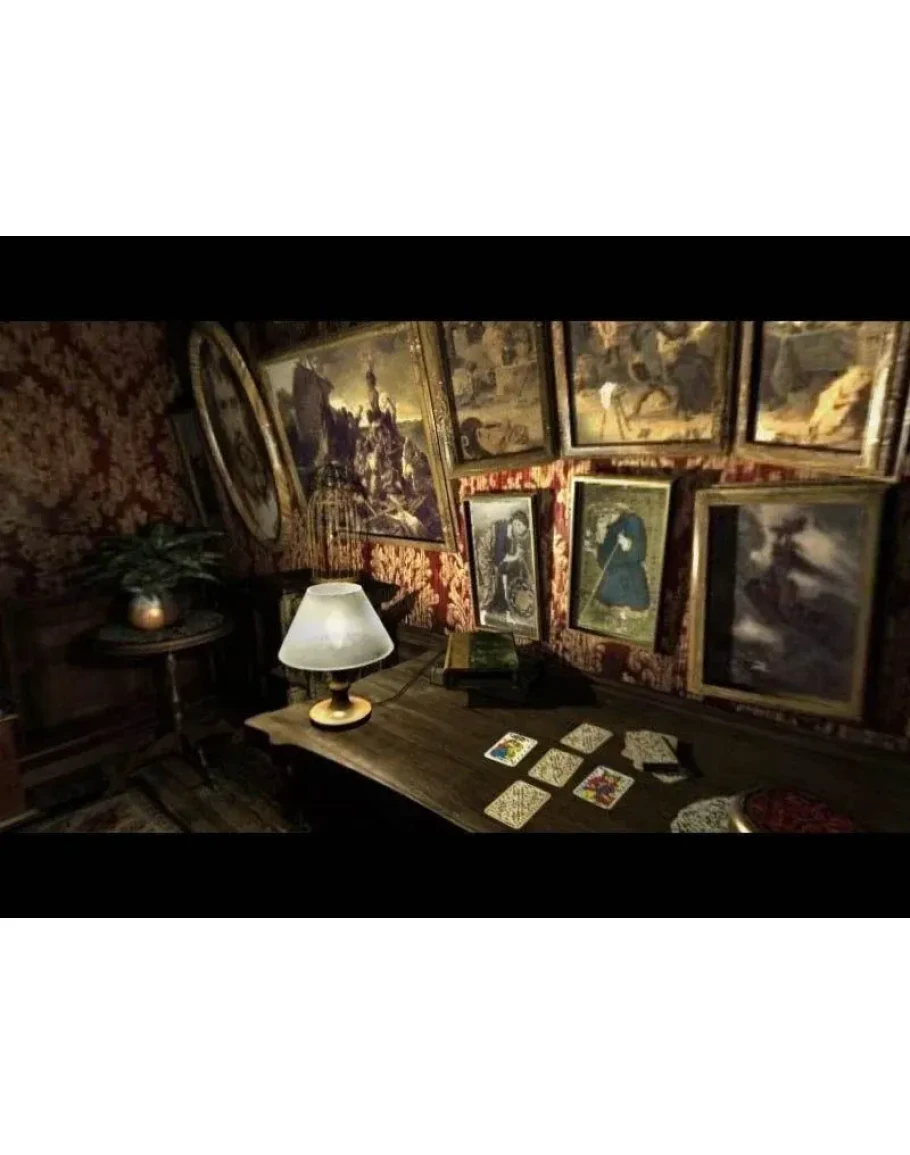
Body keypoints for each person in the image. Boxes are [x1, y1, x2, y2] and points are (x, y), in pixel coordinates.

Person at [585, 504, 649, 619]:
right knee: (603, 605)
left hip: (631, 578)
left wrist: (628, 544)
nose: (603, 528)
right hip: (612, 578)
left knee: (623, 607)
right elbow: (605, 564)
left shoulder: (632, 521)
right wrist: (595, 550)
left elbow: (640, 554)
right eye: (599, 524)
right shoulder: (605, 528)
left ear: (607, 513)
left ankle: (623, 612)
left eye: (601, 521)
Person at [483, 509, 533, 622]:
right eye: (520, 530)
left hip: (497, 566)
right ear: (516, 523)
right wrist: (515, 556)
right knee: (493, 588)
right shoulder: (502, 529)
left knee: (506, 578)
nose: (520, 534)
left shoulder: (510, 534)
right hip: (487, 561)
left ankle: (504, 610)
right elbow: (499, 556)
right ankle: (491, 612)